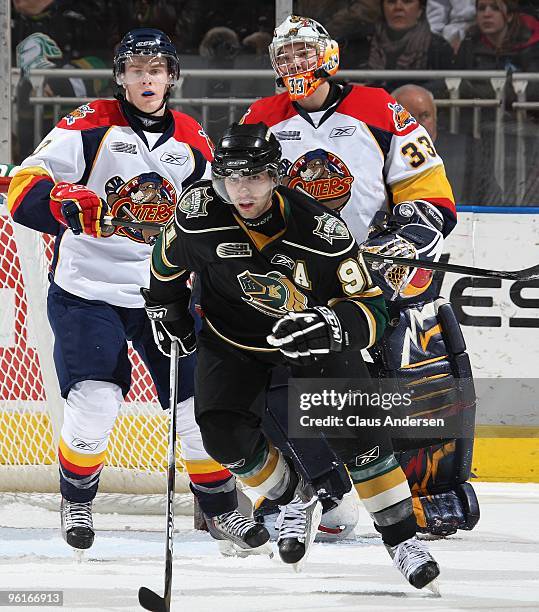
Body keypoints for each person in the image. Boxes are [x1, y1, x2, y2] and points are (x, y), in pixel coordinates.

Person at [143, 121, 441, 589]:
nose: (241, 190)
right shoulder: (197, 212)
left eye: (255, 177)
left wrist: (332, 324)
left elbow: (372, 310)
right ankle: (292, 499)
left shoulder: (322, 230)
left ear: (276, 175)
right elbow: (165, 264)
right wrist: (167, 308)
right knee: (223, 439)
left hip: (311, 340)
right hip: (234, 340)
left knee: (360, 438)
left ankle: (402, 540)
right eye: (230, 178)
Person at [6, 28, 269, 555]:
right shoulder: (87, 124)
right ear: (120, 77)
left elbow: (211, 212)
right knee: (96, 401)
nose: (146, 79)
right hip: (88, 291)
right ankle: (77, 496)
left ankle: (220, 511)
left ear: (172, 77)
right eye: (136, 70)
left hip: (163, 294)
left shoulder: (192, 137)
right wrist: (64, 206)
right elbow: (22, 187)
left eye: (156, 70)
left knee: (201, 408)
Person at [241, 15, 479, 538]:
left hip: (375, 275)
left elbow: (430, 190)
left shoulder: (380, 109)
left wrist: (403, 240)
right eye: (285, 56)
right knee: (263, 372)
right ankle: (318, 488)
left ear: (328, 56)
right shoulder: (260, 118)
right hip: (297, 277)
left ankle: (431, 493)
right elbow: (237, 195)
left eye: (305, 53)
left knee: (408, 369)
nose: (295, 64)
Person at [391, 83, 502, 204]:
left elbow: (492, 199)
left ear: (435, 117)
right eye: (409, 118)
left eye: (424, 116)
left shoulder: (469, 150)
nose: (417, 124)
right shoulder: (381, 155)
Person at [367, 0, 455, 93]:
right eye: (391, 1)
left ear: (420, 10)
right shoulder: (365, 43)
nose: (398, 7)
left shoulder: (438, 47)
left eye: (407, 1)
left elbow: (447, 87)